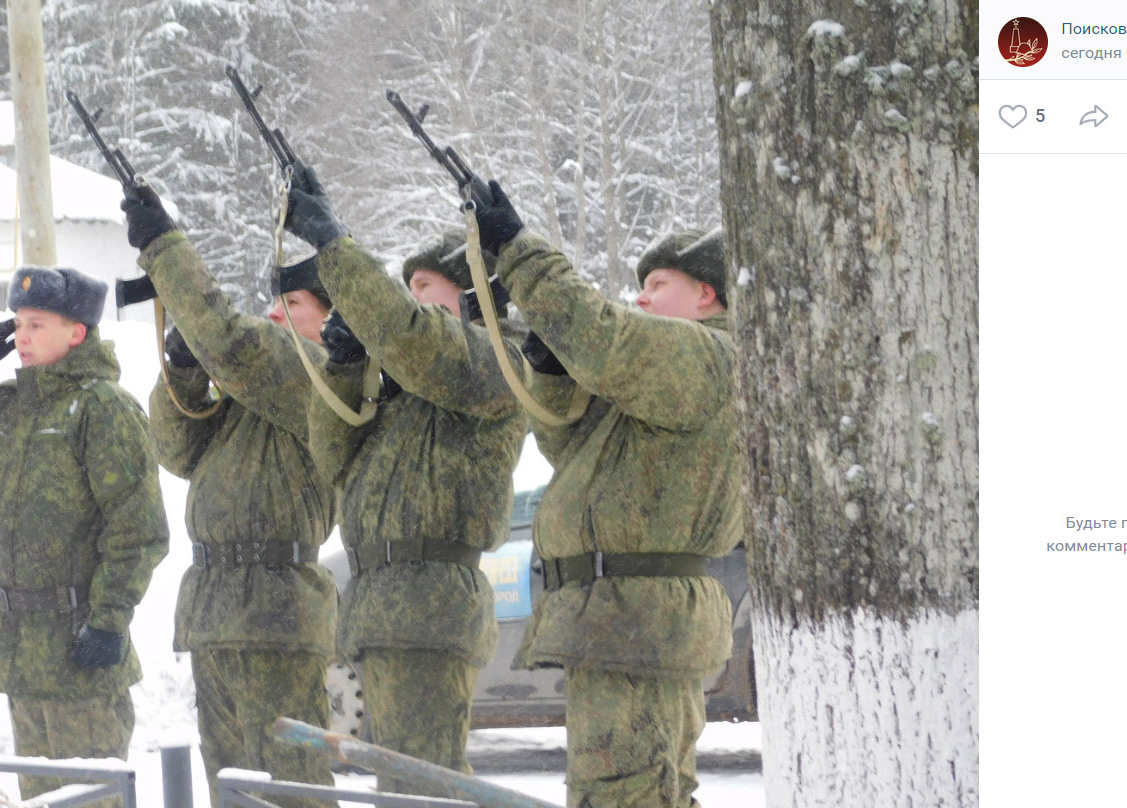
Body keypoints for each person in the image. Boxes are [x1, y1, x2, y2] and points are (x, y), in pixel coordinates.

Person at [471, 181, 741, 808]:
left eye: (657, 286)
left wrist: (517, 248)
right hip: (629, 623)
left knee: (619, 794)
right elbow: (571, 450)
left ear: (706, 294)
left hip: (634, 624)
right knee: (649, 793)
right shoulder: (666, 381)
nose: (640, 297)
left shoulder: (705, 357)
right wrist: (551, 367)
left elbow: (602, 334)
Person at [284, 167, 526, 796]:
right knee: (403, 788)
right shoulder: (403, 392)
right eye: (409, 289)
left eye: (425, 288)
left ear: (472, 298)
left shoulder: (493, 361)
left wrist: (333, 246)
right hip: (384, 611)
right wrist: (345, 366)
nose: (412, 302)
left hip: (430, 613)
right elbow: (333, 455)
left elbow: (409, 335)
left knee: (425, 790)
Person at [0, 266, 169, 805]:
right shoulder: (5, 407)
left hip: (80, 648)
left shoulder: (103, 408)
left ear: (77, 332)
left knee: (91, 799)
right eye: (18, 324)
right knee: (40, 800)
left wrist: (108, 621)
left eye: (37, 325)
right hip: (21, 648)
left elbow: (138, 530)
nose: (22, 337)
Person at [121, 183, 338, 806]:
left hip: (277, 611)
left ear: (329, 317)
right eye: (272, 300)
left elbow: (235, 340)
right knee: (231, 787)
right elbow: (178, 451)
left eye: (290, 301)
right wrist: (184, 370)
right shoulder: (252, 390)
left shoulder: (320, 376)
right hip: (217, 611)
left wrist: (166, 249)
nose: (274, 312)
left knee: (290, 789)